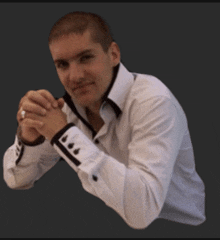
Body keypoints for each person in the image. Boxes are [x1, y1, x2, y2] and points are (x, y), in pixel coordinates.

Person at [3, 11, 206, 230]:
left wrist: (63, 134)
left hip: (180, 228)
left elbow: (143, 212)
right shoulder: (66, 111)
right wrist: (28, 138)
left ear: (114, 54)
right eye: (62, 64)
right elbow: (17, 180)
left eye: (86, 57)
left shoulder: (153, 101)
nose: (75, 76)